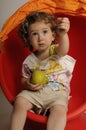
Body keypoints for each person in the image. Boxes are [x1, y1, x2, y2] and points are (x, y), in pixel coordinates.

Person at [10, 11, 76, 130]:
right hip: (36, 93)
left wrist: (63, 34)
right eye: (34, 34)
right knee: (19, 101)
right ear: (28, 39)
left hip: (57, 92)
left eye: (45, 32)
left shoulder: (55, 50)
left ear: (53, 35)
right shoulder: (29, 61)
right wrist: (28, 84)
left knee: (60, 110)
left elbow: (64, 49)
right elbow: (23, 80)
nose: (40, 38)